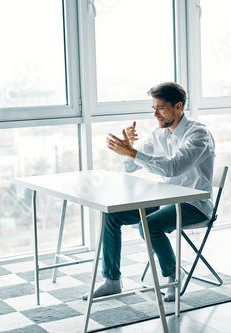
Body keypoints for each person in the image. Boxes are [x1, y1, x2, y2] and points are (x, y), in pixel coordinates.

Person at [82, 82, 215, 302]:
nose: (155, 114)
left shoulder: (198, 134)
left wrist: (134, 153)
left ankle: (174, 276)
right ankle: (112, 281)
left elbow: (173, 168)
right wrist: (130, 148)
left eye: (160, 108)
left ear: (178, 106)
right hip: (166, 200)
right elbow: (130, 166)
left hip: (195, 204)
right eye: (153, 108)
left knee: (149, 225)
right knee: (111, 216)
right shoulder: (159, 134)